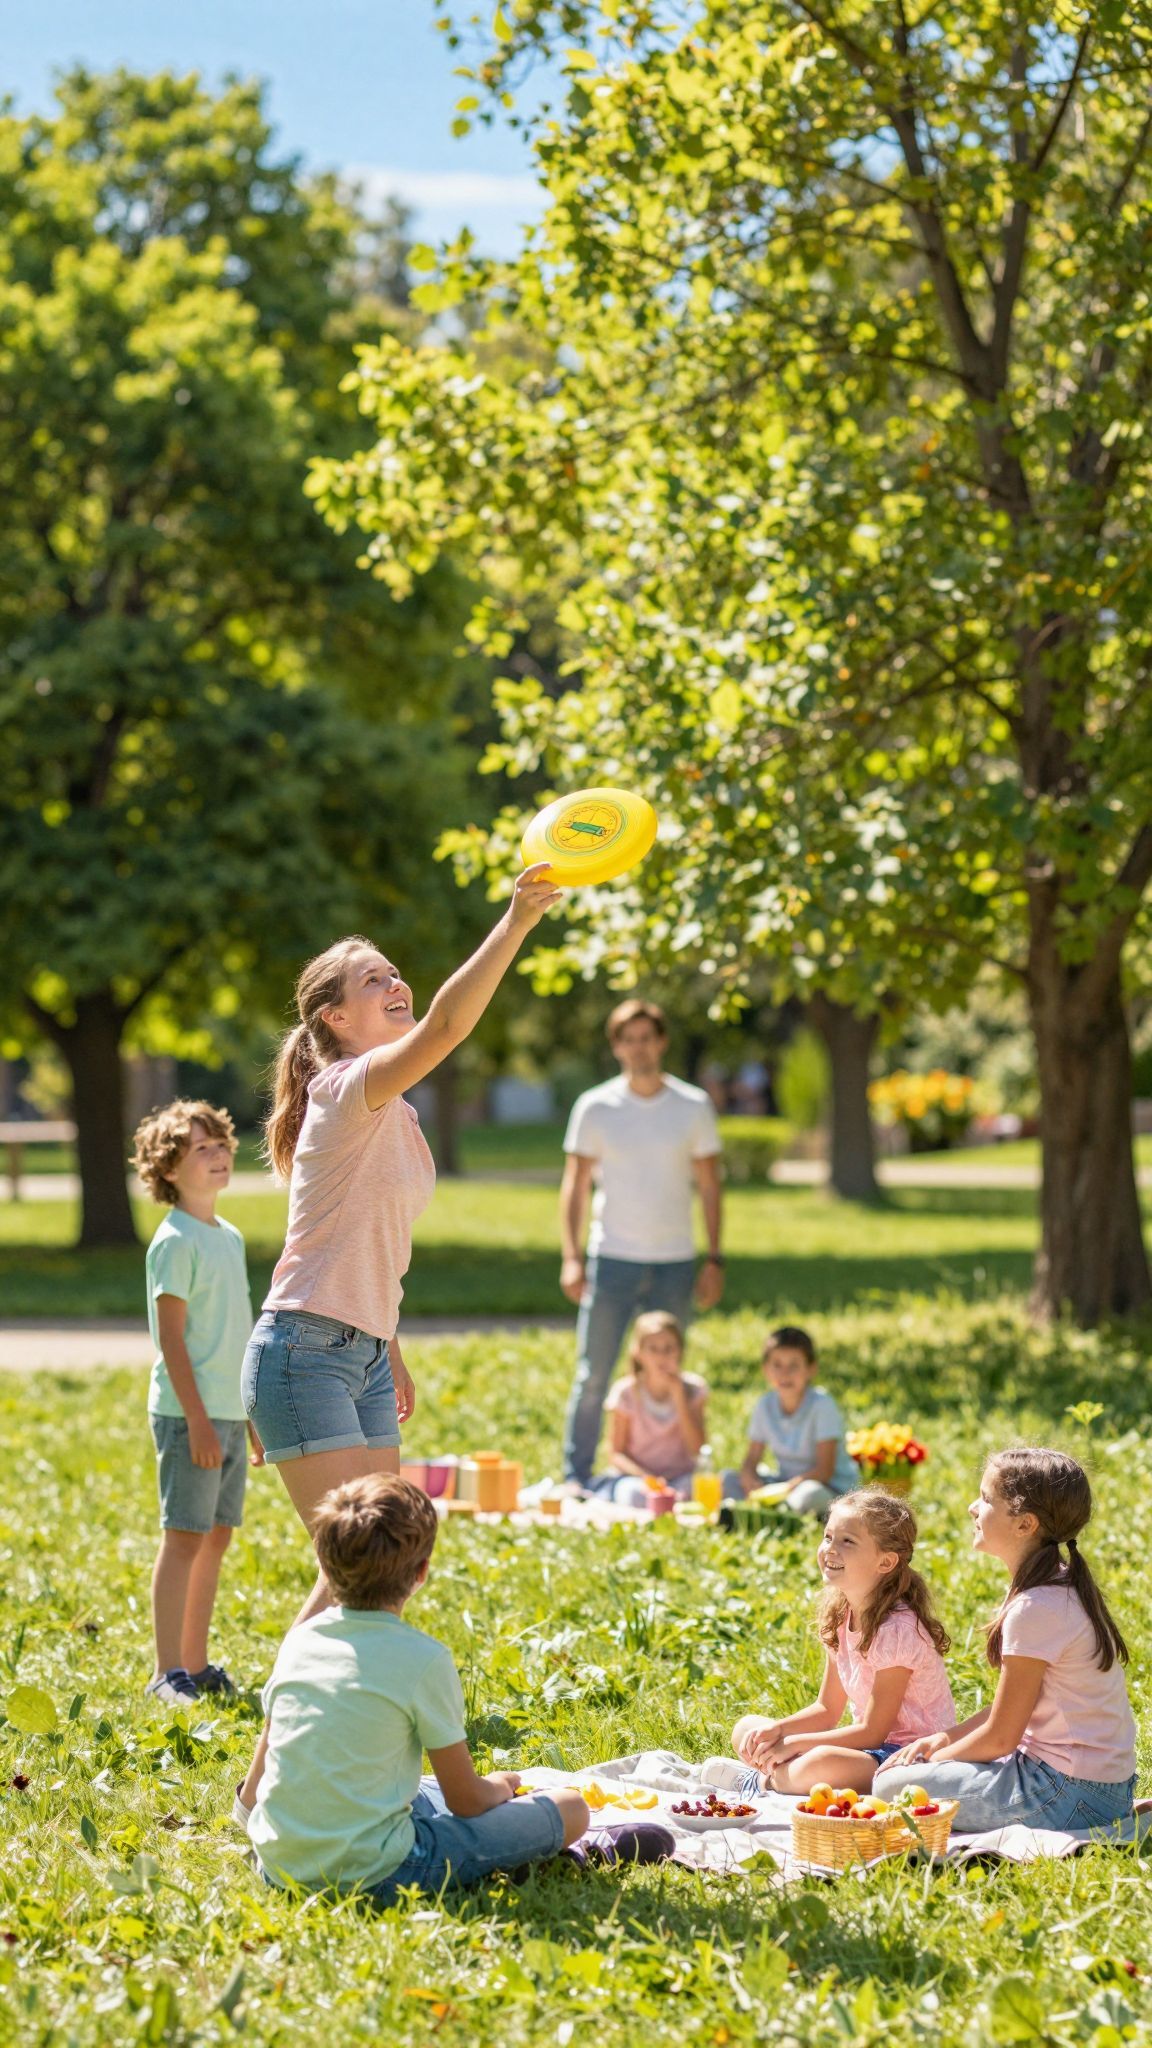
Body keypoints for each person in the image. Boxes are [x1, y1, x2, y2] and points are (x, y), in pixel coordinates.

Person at [236, 866, 560, 1815]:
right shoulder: (348, 1088)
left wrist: (392, 1340)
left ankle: (283, 1772)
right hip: (303, 1353)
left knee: (375, 1572)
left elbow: (373, 1241)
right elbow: (453, 1027)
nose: (392, 983)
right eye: (370, 980)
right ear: (334, 1018)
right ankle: (274, 1779)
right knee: (358, 1569)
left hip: (363, 1355)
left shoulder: (400, 1110)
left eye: (391, 972)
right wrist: (515, 921)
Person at [250, 1475, 591, 1899]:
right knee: (571, 1808)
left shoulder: (300, 1640)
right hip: (378, 1872)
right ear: (421, 1572)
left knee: (420, 1788)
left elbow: (264, 1765)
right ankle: (565, 1851)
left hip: (279, 1864)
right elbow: (466, 1799)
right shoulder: (422, 1658)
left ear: (324, 1560)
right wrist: (502, 1786)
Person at [876, 1449, 1137, 1834]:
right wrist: (942, 1739)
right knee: (909, 1771)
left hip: (1066, 1794)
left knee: (888, 1786)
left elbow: (1001, 1737)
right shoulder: (1054, 1583)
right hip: (1090, 1786)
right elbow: (1010, 1714)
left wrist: (935, 1763)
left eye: (985, 1499)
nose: (972, 1508)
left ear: (1025, 1525)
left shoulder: (1036, 1607)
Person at [559, 999, 724, 1488]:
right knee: (594, 1375)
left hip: (675, 1260)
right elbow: (576, 1184)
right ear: (616, 1046)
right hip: (611, 1259)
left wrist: (714, 1258)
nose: (639, 1048)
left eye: (647, 1037)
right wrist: (571, 1256)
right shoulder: (595, 1106)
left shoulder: (693, 1106)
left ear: (662, 1041)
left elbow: (712, 1186)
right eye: (628, 1039)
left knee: (668, 1376)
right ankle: (577, 1477)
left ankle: (675, 1474)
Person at [132, 1099, 261, 1706]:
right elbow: (172, 1341)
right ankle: (165, 1672)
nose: (217, 1156)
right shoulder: (174, 1241)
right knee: (183, 1537)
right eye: (199, 1149)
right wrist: (201, 1421)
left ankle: (195, 1661)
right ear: (168, 1170)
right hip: (192, 1418)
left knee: (216, 1538)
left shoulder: (228, 1237)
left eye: (220, 1145)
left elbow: (236, 1331)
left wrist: (249, 1414)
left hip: (231, 1416)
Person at [712, 1490, 953, 1798]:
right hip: (867, 1750)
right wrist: (779, 1731)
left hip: (909, 1758)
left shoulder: (898, 1630)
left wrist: (796, 1744)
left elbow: (873, 1732)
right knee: (748, 1729)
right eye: (828, 1537)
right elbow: (826, 1710)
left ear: (886, 1561)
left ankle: (761, 1782)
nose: (830, 1550)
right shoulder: (841, 1614)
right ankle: (781, 1773)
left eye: (847, 1541)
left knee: (821, 1763)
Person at [722, 1325, 858, 1515]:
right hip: (785, 1483)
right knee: (727, 1479)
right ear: (766, 1370)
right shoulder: (765, 1405)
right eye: (777, 1365)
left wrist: (787, 1488)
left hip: (827, 1489)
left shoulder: (822, 1405)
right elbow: (752, 1457)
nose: (785, 1373)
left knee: (808, 1495)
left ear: (811, 1369)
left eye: (794, 1365)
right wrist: (748, 1477)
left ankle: (775, 1514)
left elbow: (824, 1470)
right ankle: (766, 1512)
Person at [590, 1311, 708, 1508]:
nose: (662, 1356)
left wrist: (679, 1398)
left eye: (669, 1348)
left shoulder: (694, 1389)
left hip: (681, 1476)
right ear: (639, 1353)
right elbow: (616, 1453)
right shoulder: (625, 1392)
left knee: (702, 1488)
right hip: (638, 1478)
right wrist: (647, 1479)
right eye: (653, 1349)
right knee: (633, 1495)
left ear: (680, 1350)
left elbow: (698, 1449)